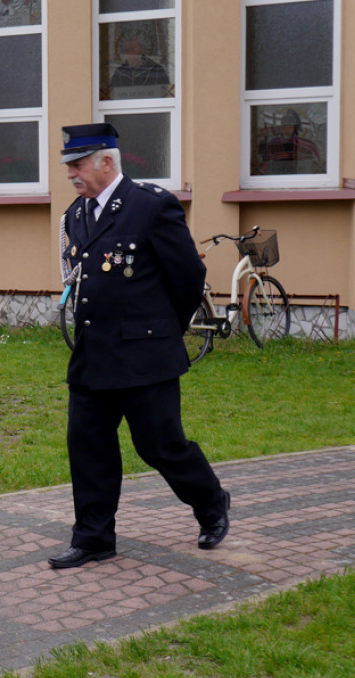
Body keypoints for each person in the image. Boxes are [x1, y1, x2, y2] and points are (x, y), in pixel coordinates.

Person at [50, 122, 230, 570]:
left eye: (78, 165)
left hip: (145, 357)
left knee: (160, 446)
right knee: (87, 446)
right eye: (68, 166)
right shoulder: (77, 214)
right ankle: (93, 537)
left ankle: (211, 503)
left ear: (107, 162)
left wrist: (163, 330)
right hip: (93, 355)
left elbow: (188, 276)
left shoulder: (151, 206)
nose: (71, 174)